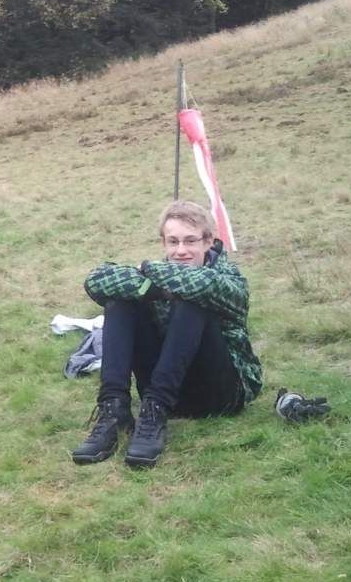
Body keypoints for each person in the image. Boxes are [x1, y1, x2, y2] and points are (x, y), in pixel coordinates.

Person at [72, 200, 262, 469]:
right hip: (169, 387)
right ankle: (114, 411)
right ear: (164, 242)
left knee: (192, 300)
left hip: (221, 393)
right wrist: (152, 289)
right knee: (120, 300)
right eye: (173, 242)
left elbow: (202, 284)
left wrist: (147, 272)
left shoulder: (230, 277)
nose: (181, 250)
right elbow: (96, 280)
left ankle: (156, 409)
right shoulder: (160, 276)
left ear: (209, 241)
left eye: (190, 241)